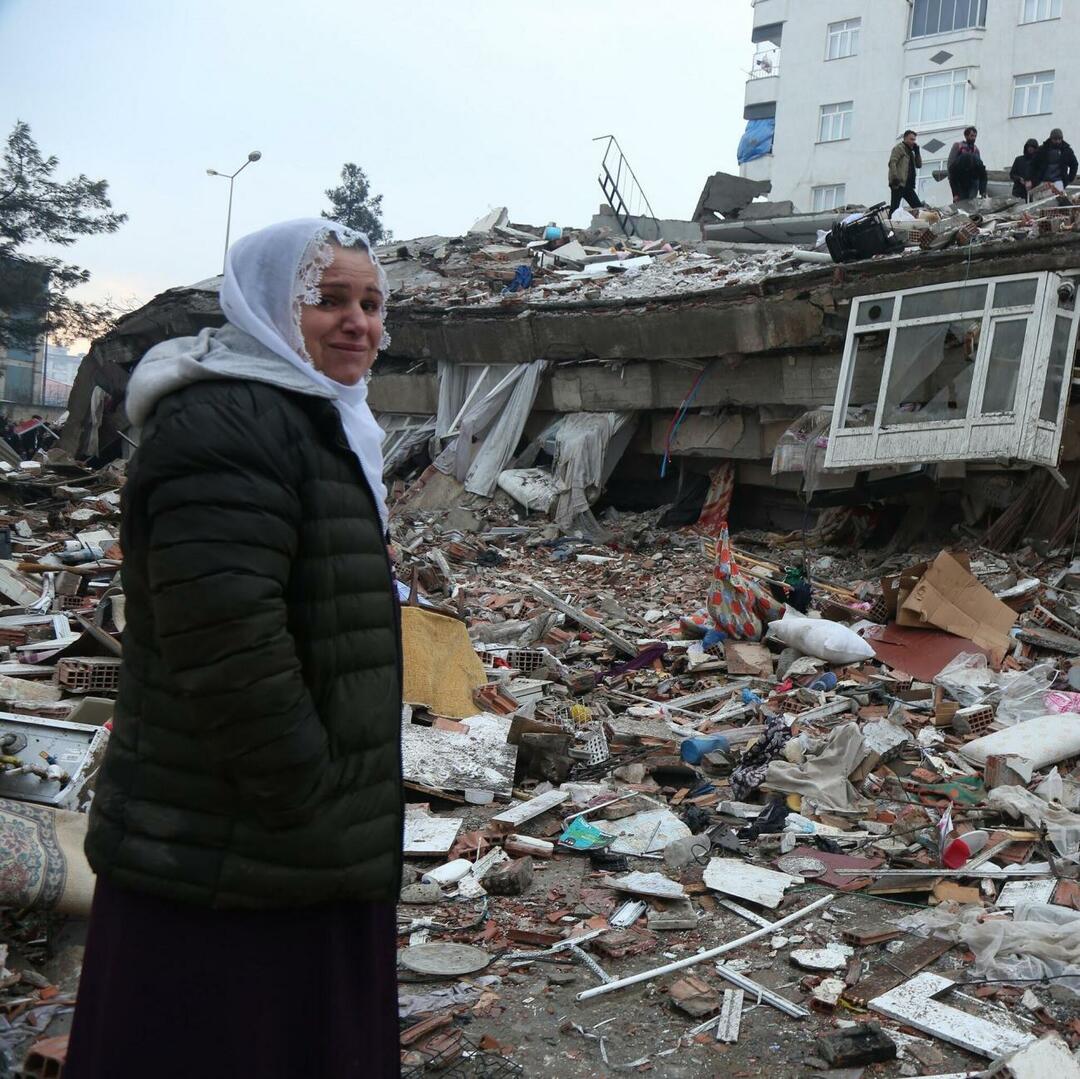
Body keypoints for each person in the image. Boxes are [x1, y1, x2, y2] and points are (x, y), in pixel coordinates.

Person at [63, 219, 404, 1079]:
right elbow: (226, 642)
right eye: (327, 300)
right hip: (235, 840)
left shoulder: (315, 420)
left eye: (370, 302)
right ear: (267, 307)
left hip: (276, 837)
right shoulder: (230, 422)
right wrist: (309, 795)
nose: (358, 322)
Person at [888, 130, 924, 214]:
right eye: (911, 139)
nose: (913, 142)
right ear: (905, 138)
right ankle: (889, 224)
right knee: (894, 208)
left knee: (918, 207)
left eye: (914, 140)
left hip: (908, 186)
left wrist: (917, 152)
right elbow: (892, 162)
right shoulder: (899, 148)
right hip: (898, 184)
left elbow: (919, 165)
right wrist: (894, 178)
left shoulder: (911, 152)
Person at [948, 126, 987, 201]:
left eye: (975, 136)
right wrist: (955, 193)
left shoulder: (976, 150)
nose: (973, 138)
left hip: (972, 179)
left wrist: (983, 191)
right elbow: (951, 166)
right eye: (972, 136)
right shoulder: (958, 146)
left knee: (971, 201)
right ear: (966, 136)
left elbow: (983, 175)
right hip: (959, 177)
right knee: (961, 201)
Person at [1033, 127, 1079, 192]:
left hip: (1059, 182)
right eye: (1055, 139)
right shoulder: (1042, 149)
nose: (1057, 141)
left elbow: (1074, 164)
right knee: (1043, 200)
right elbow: (1034, 164)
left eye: (1059, 139)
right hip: (1044, 182)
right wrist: (1036, 180)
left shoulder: (1067, 150)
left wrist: (1069, 179)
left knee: (1058, 200)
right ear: (1051, 138)